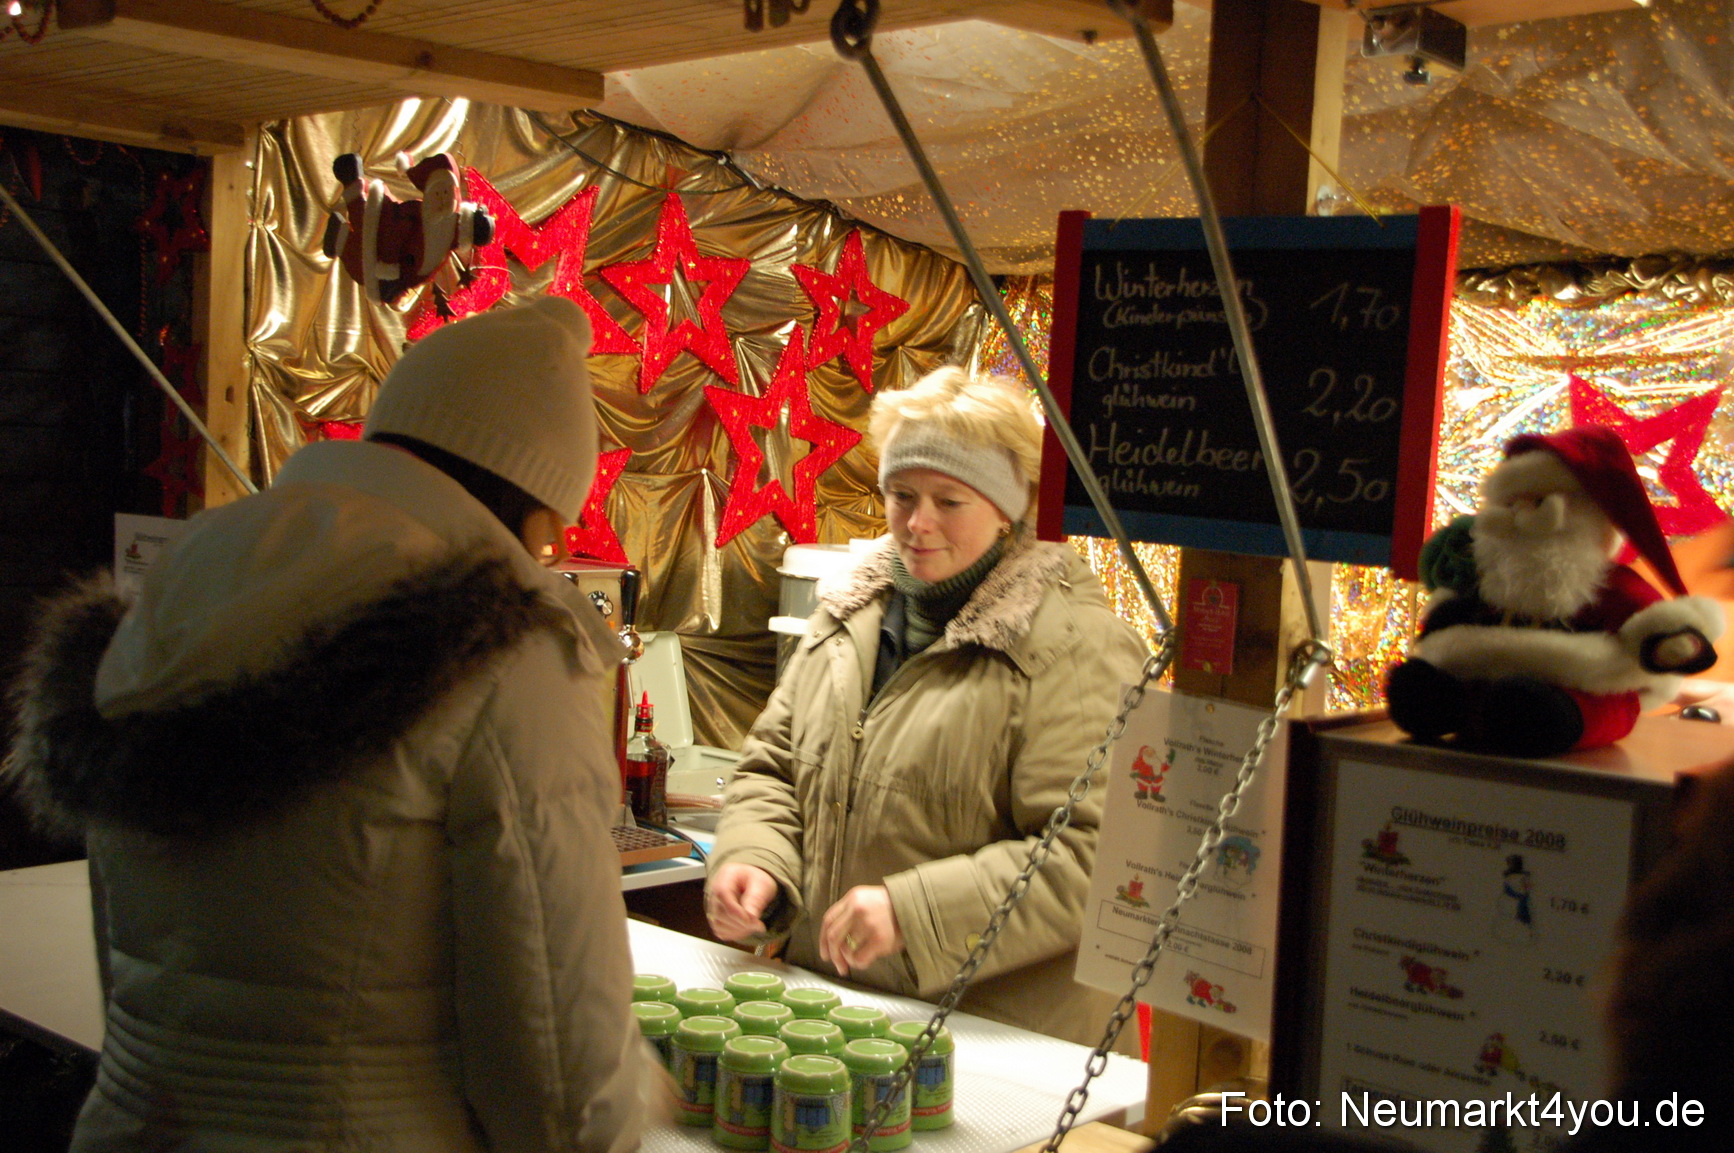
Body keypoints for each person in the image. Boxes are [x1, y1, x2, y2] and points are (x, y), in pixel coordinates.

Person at [4, 298, 648, 1152]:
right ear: (529, 504)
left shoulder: (183, 575)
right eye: (550, 533)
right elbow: (559, 1067)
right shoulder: (512, 648)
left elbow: (131, 957)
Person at [704, 366, 1148, 1046]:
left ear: (1006, 508)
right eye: (901, 494)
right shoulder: (848, 614)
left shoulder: (1072, 645)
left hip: (992, 1049)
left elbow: (1096, 857)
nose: (918, 523)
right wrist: (755, 857)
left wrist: (917, 912)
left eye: (950, 500)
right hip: (840, 1021)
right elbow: (772, 765)